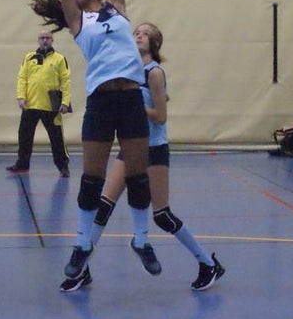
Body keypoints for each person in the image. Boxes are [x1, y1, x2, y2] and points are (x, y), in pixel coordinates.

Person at [31, 0, 160, 290]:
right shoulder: (77, 20)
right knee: (92, 178)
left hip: (131, 100)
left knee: (139, 178)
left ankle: (141, 240)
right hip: (101, 102)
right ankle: (81, 245)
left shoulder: (117, 8)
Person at [65, 22, 225, 292]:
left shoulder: (154, 72)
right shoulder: (128, 71)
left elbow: (161, 116)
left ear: (155, 43)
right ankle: (82, 269)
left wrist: (135, 106)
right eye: (135, 32)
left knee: (162, 215)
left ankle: (207, 263)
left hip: (153, 148)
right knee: (103, 205)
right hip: (130, 147)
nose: (138, 35)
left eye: (145, 33)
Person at [7, 30, 72, 177]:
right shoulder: (29, 58)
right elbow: (22, 78)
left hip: (51, 105)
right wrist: (21, 97)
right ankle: (22, 164)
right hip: (30, 104)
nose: (45, 40)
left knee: (57, 138)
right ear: (38, 40)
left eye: (47, 38)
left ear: (52, 40)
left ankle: (63, 165)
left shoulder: (59, 59)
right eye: (42, 38)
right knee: (24, 135)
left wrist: (65, 102)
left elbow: (66, 81)